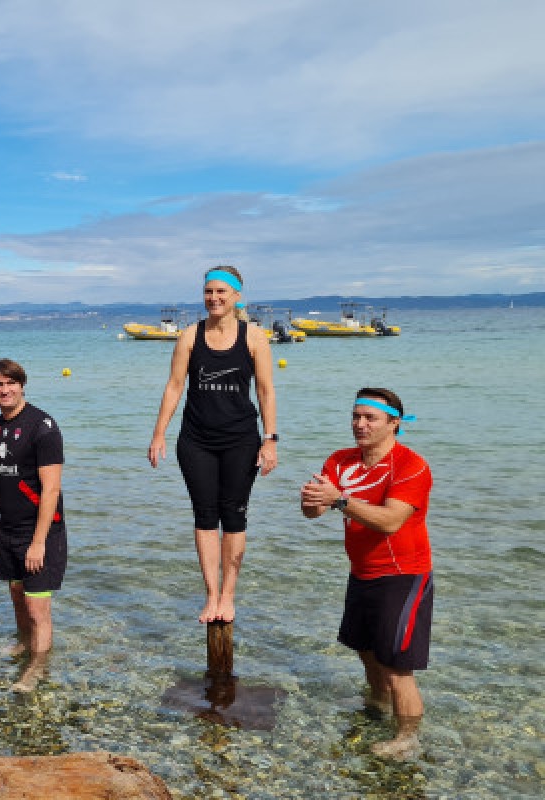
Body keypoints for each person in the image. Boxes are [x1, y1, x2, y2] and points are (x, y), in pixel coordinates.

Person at [301, 388, 432, 760]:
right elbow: (313, 513)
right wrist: (312, 501)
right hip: (362, 573)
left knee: (397, 667)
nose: (360, 424)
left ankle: (408, 737)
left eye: (370, 418)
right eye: (356, 416)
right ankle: (377, 708)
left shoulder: (411, 465)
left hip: (404, 575)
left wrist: (339, 500)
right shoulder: (340, 461)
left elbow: (390, 521)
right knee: (367, 654)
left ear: (394, 423)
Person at [147, 266, 277, 624]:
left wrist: (270, 439)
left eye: (222, 291)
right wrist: (159, 433)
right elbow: (175, 386)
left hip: (240, 440)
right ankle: (211, 595)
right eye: (208, 291)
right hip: (196, 440)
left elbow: (265, 391)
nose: (214, 298)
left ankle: (229, 595)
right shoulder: (190, 336)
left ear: (237, 295)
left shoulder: (254, 337)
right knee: (205, 517)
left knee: (233, 517)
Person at [0, 359, 67, 692]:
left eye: (10, 384)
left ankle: (37, 667)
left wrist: (39, 542)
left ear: (22, 385)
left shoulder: (42, 426)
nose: (4, 390)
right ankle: (23, 644)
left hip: (41, 532)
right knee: (17, 596)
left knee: (37, 606)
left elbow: (51, 489)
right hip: (9, 530)